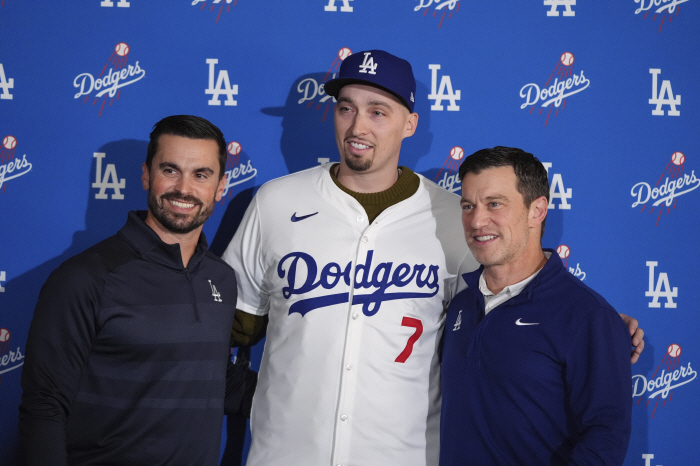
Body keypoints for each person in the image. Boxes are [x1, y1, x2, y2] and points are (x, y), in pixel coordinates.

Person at [222, 51, 643, 466]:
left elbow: (511, 293)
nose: (357, 125)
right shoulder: (276, 201)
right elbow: (230, 321)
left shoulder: (452, 214)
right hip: (287, 453)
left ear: (410, 124)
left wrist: (599, 330)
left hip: (404, 456)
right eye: (345, 108)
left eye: (378, 112)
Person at [19, 115, 256, 466]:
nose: (184, 189)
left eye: (201, 175)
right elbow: (44, 405)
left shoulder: (221, 278)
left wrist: (322, 390)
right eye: (170, 170)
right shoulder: (86, 277)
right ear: (147, 175)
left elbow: (215, 381)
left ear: (221, 186)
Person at [440, 147, 632, 465]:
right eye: (468, 205)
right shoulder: (460, 305)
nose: (476, 220)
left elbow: (605, 439)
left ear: (537, 211)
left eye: (494, 204)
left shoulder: (588, 316)